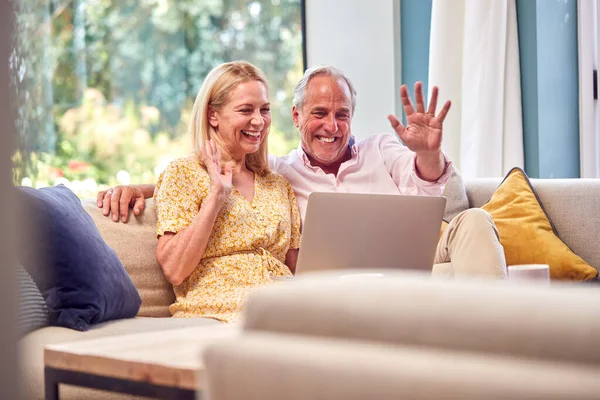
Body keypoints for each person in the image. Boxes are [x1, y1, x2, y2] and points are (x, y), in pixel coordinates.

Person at [98, 65, 507, 279]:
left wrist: (428, 154)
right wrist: (143, 187)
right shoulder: (280, 173)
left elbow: (435, 188)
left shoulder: (381, 149)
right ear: (296, 116)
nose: (332, 126)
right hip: (345, 282)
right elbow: (221, 177)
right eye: (320, 113)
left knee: (475, 220)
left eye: (341, 114)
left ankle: (505, 343)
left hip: (415, 261)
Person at [148, 61, 301, 323]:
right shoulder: (183, 174)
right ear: (213, 115)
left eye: (264, 110)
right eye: (245, 110)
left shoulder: (278, 184)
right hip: (219, 313)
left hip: (283, 308)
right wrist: (216, 196)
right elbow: (174, 269)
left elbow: (299, 269)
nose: (258, 121)